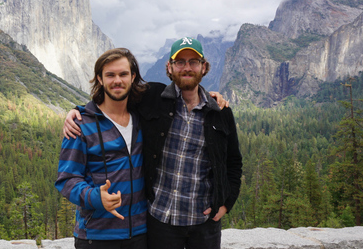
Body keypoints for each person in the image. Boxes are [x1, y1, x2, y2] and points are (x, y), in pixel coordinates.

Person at [64, 37, 242, 249]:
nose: (187, 68)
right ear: (169, 67)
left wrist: (226, 203)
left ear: (204, 67)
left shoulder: (220, 112)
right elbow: (113, 96)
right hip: (160, 222)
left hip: (204, 224)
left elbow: (233, 162)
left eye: (193, 62)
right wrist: (79, 111)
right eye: (180, 62)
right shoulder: (153, 97)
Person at [55, 48, 148, 248]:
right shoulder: (81, 125)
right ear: (99, 79)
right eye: (110, 75)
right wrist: (96, 197)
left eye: (123, 74)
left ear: (132, 77)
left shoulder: (143, 118)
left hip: (140, 234)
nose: (117, 81)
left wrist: (210, 97)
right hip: (96, 237)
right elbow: (66, 179)